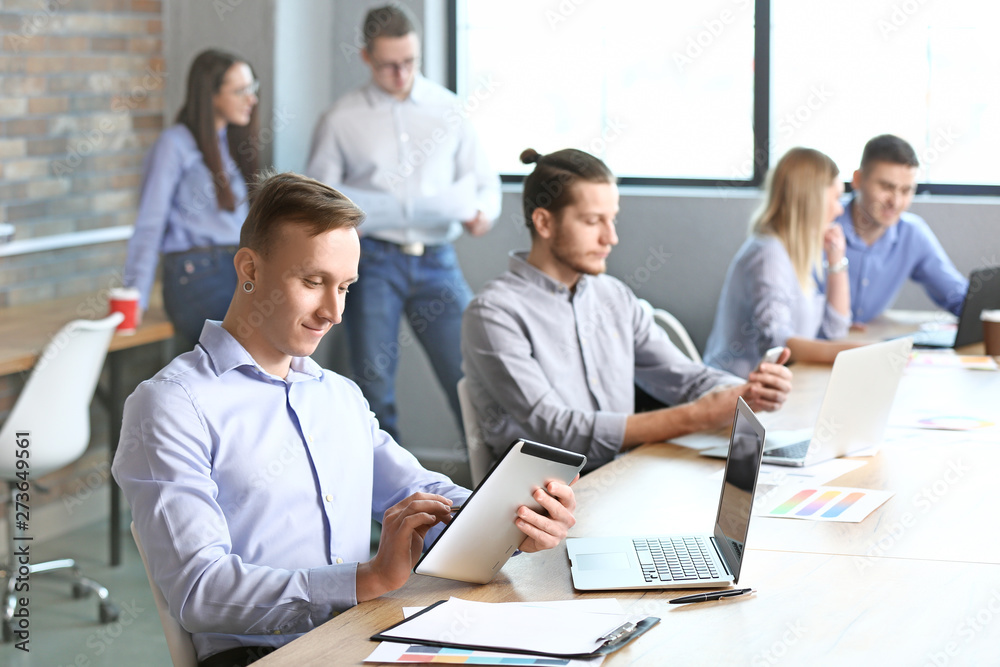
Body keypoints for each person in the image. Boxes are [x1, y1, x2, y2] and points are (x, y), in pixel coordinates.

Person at [112, 172, 575, 667]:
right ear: (249, 267)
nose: (333, 311)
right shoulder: (171, 404)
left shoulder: (338, 395)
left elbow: (421, 495)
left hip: (365, 634)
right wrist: (365, 580)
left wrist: (514, 521)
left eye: (346, 287)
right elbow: (200, 590)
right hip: (264, 654)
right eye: (313, 282)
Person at [461, 148, 793, 473]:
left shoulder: (613, 296)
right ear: (544, 223)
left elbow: (683, 378)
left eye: (612, 220)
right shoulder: (493, 314)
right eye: (593, 221)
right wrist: (695, 416)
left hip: (620, 477)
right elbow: (558, 432)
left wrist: (750, 391)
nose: (612, 238)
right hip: (541, 502)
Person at [306, 5, 501, 442]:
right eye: (389, 65)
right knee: (373, 386)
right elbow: (318, 196)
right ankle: (384, 506)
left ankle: (495, 489)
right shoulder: (341, 118)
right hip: (372, 263)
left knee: (472, 374)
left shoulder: (449, 109)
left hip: (437, 260)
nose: (401, 74)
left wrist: (483, 212)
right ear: (366, 58)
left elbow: (484, 183)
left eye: (410, 62)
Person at [123, 49, 260, 350]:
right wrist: (135, 299)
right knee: (245, 349)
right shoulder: (174, 145)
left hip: (236, 269)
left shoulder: (232, 145)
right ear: (211, 95)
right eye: (240, 91)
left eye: (253, 88)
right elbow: (150, 223)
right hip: (195, 273)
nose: (251, 99)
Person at [704, 147, 860, 378]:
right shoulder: (768, 255)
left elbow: (833, 330)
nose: (840, 209)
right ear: (812, 200)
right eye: (836, 197)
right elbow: (776, 343)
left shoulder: (797, 252)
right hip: (737, 392)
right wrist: (849, 353)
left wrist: (836, 260)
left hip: (783, 384)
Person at [834, 134, 968, 325]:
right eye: (886, 187)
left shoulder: (912, 233)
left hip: (867, 343)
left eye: (906, 191)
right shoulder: (822, 225)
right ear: (857, 179)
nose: (895, 202)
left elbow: (959, 298)